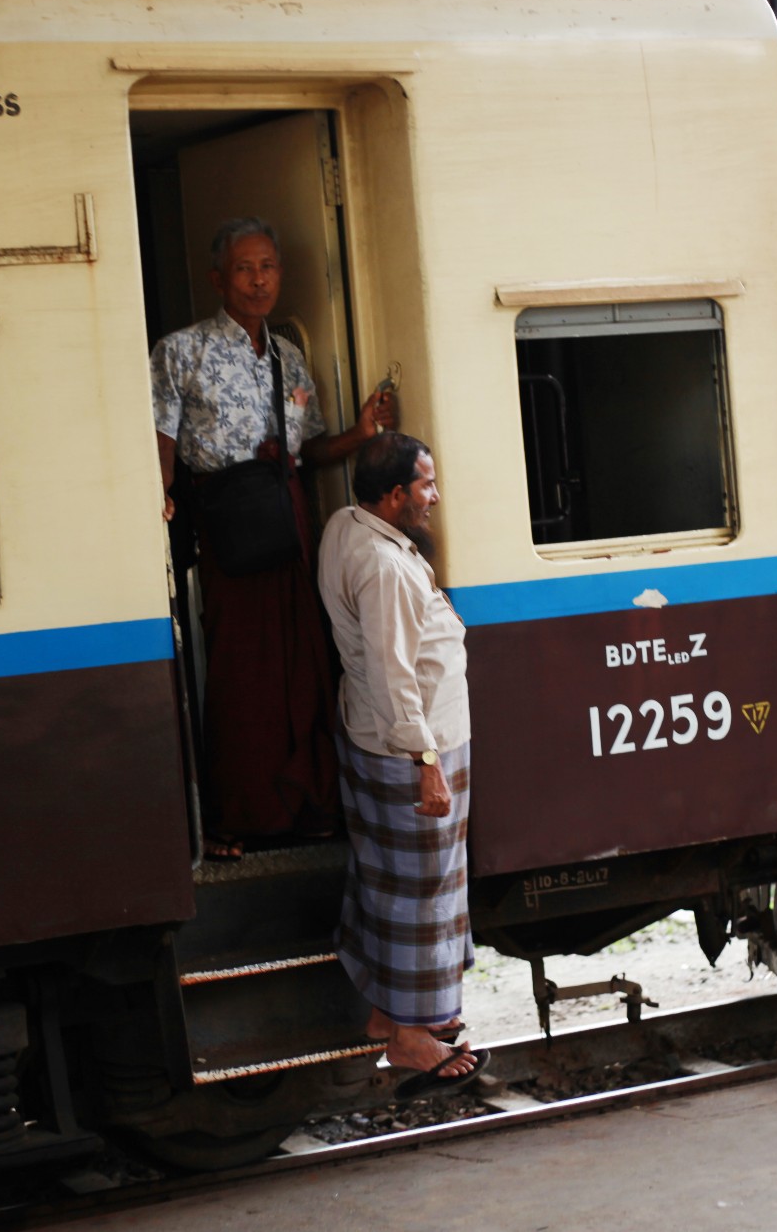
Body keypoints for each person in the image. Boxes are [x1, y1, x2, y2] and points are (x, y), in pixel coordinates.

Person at [150, 217, 394, 854]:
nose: (259, 281)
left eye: (268, 268)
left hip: (286, 520)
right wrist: (162, 510)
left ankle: (309, 807)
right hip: (228, 523)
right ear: (218, 279)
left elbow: (307, 450)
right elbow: (162, 448)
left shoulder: (289, 355)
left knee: (305, 667)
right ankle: (238, 816)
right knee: (240, 674)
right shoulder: (182, 351)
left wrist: (361, 436)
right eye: (243, 269)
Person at [317, 432, 485, 1096]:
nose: (434, 497)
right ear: (393, 496)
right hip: (409, 744)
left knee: (387, 880)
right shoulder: (384, 566)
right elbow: (394, 673)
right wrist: (427, 760)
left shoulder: (345, 525)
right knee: (424, 890)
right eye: (425, 486)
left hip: (375, 733)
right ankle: (414, 1038)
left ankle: (390, 1011)